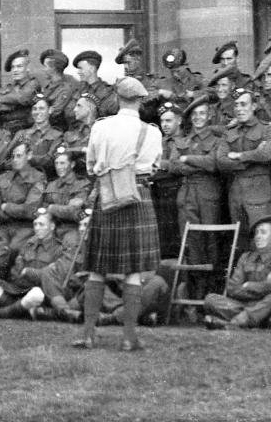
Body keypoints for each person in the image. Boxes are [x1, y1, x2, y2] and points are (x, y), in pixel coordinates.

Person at [73, 76, 163, 351]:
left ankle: (88, 335)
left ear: (117, 98)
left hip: (109, 196)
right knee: (133, 272)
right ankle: (128, 338)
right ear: (139, 100)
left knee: (97, 270)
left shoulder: (101, 127)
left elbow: (90, 167)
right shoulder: (153, 132)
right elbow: (156, 167)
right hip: (138, 196)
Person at [0, 209, 80, 319]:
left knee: (36, 294)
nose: (37, 228)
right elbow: (15, 271)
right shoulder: (28, 245)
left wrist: (28, 273)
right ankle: (21, 309)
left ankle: (8, 311)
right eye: (35, 224)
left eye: (41, 225)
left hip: (40, 289)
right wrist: (20, 276)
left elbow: (51, 276)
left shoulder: (59, 249)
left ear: (52, 226)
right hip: (19, 288)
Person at [165, 94, 224, 307]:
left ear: (209, 117)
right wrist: (191, 164)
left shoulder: (217, 141)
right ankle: (193, 297)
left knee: (211, 243)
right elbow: (172, 166)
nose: (199, 118)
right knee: (189, 243)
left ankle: (211, 297)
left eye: (203, 114)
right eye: (195, 115)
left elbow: (214, 164)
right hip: (187, 194)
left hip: (208, 195)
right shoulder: (182, 141)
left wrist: (187, 158)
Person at [202, 215, 271, 330]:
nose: (258, 236)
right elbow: (232, 288)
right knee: (210, 300)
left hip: (267, 304)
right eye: (256, 233)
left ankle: (232, 323)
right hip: (246, 306)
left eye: (263, 232)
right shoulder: (245, 257)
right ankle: (255, 322)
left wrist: (248, 285)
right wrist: (262, 287)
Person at [216, 87, 271, 241]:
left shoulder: (266, 129)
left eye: (243, 104)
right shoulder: (229, 132)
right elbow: (221, 160)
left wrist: (239, 156)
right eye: (236, 105)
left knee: (263, 236)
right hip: (236, 193)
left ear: (254, 106)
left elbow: (267, 153)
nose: (239, 109)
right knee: (240, 240)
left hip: (258, 192)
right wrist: (251, 158)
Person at [0, 140, 48, 247]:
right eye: (13, 156)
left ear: (29, 155)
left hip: (24, 227)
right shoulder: (2, 177)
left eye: (19, 156)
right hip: (2, 225)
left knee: (12, 249)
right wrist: (10, 214)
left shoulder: (38, 177)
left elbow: (29, 210)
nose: (15, 160)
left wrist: (5, 206)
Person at [150, 101, 184, 259]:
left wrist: (157, 164)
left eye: (169, 120)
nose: (164, 124)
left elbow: (175, 166)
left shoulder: (182, 141)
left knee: (174, 232)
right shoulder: (160, 141)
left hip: (176, 190)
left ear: (179, 120)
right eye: (162, 121)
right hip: (159, 191)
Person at [8, 94, 63, 177]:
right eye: (34, 109)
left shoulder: (57, 136)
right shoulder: (22, 134)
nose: (37, 112)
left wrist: (25, 158)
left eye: (41, 108)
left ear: (50, 110)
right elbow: (8, 155)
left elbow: (49, 161)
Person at [41, 146, 92, 234]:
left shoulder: (82, 184)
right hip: (52, 227)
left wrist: (52, 208)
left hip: (73, 228)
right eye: (56, 163)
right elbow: (43, 208)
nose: (58, 167)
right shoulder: (51, 185)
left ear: (72, 164)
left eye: (62, 163)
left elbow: (74, 212)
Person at [0, 48, 40, 134]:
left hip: (26, 131)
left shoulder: (33, 84)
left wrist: (1, 100)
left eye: (19, 66)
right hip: (6, 130)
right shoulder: (8, 87)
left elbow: (23, 98)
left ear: (27, 68)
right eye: (13, 67)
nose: (15, 70)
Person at [38, 48, 79, 129]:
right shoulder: (47, 86)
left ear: (53, 68)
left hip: (56, 130)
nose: (43, 69)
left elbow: (54, 112)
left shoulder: (65, 89)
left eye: (45, 66)